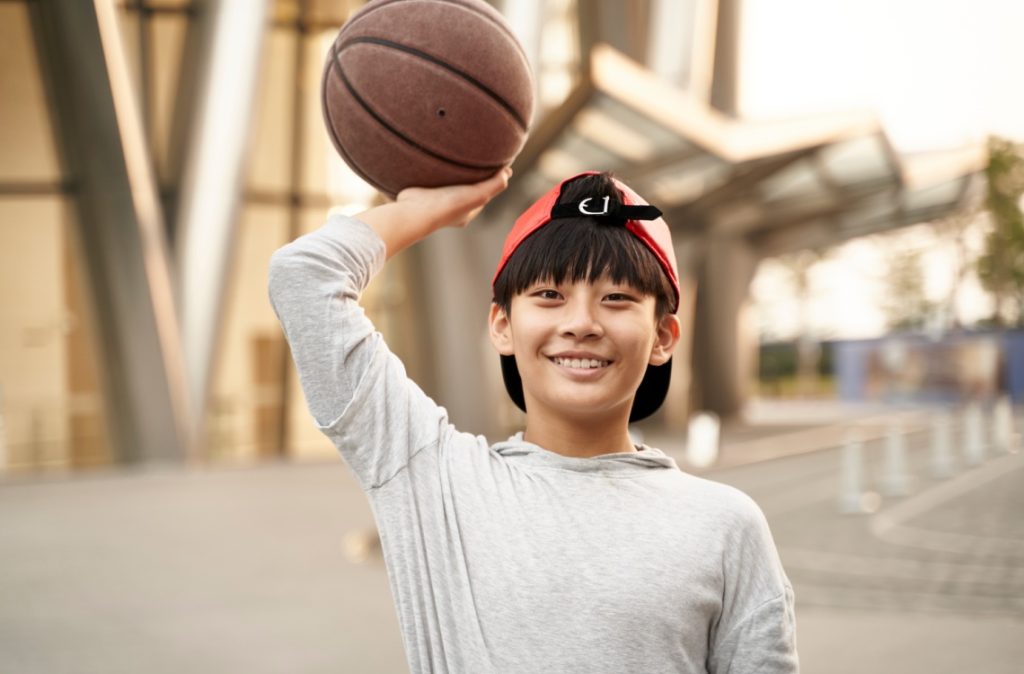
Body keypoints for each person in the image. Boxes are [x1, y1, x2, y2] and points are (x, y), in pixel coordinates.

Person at [268, 168, 798, 674]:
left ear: (663, 337)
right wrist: (423, 210)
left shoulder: (727, 526)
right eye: (549, 295)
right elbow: (304, 276)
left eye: (616, 298)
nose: (581, 324)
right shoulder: (432, 478)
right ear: (501, 324)